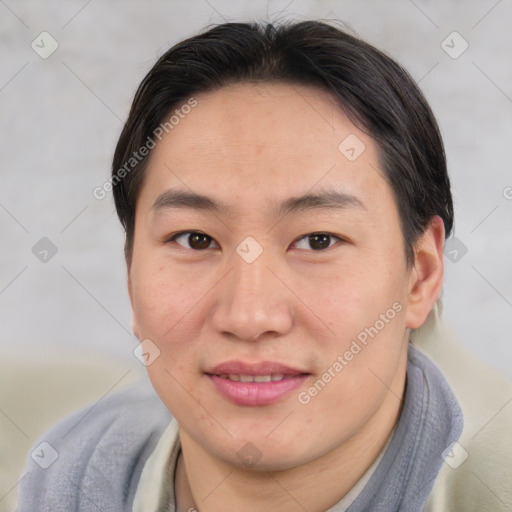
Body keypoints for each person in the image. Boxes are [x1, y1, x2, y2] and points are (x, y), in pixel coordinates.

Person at [18, 20, 512, 511]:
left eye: (318, 241)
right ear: (131, 277)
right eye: (195, 239)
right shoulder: (64, 480)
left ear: (421, 275)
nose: (249, 317)